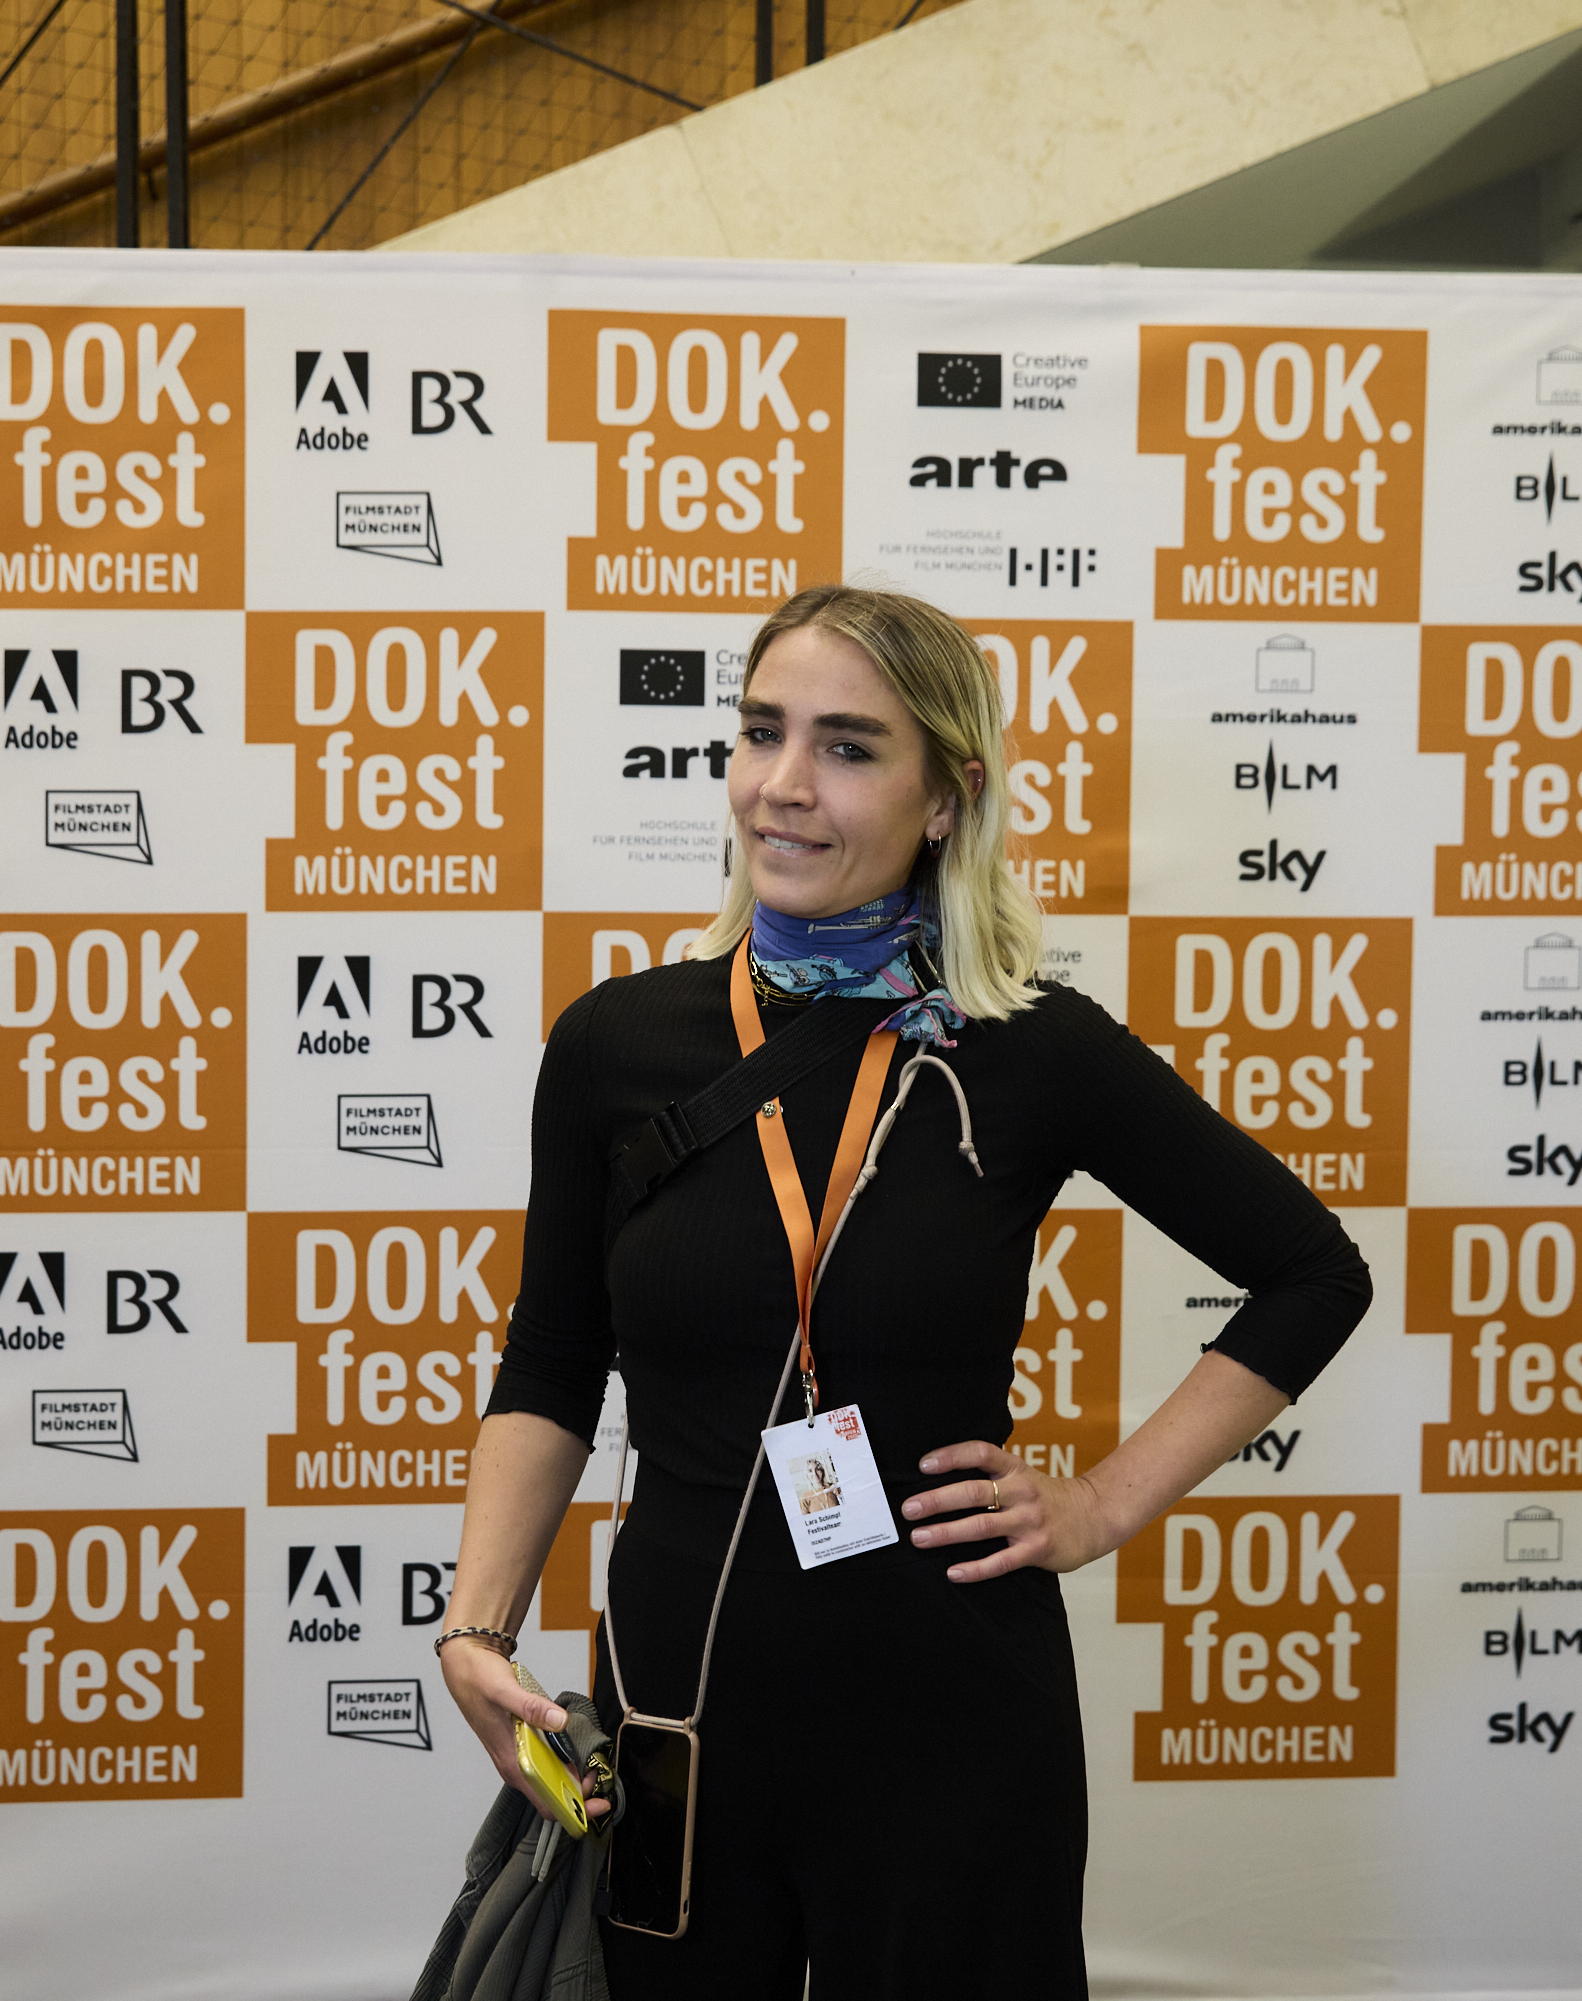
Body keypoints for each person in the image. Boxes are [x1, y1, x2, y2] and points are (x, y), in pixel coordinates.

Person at [436, 584, 1372, 1997]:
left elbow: (1312, 1272)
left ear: (948, 797)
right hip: (678, 1715)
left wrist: (1102, 1503)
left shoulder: (1029, 1048)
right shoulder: (614, 1044)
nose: (785, 784)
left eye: (850, 747)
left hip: (952, 1716)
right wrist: (476, 1624)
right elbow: (554, 1358)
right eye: (763, 731)